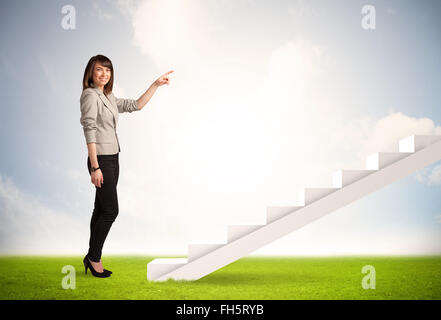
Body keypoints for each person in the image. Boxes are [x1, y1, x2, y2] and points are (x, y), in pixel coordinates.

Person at [79, 54, 173, 278]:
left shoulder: (108, 96)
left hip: (113, 158)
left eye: (108, 70)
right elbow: (89, 130)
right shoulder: (90, 96)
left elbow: (136, 105)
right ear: (91, 72)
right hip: (100, 160)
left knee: (101, 209)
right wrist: (94, 167)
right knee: (111, 210)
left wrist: (155, 85)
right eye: (99, 70)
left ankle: (91, 256)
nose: (104, 74)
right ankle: (94, 257)